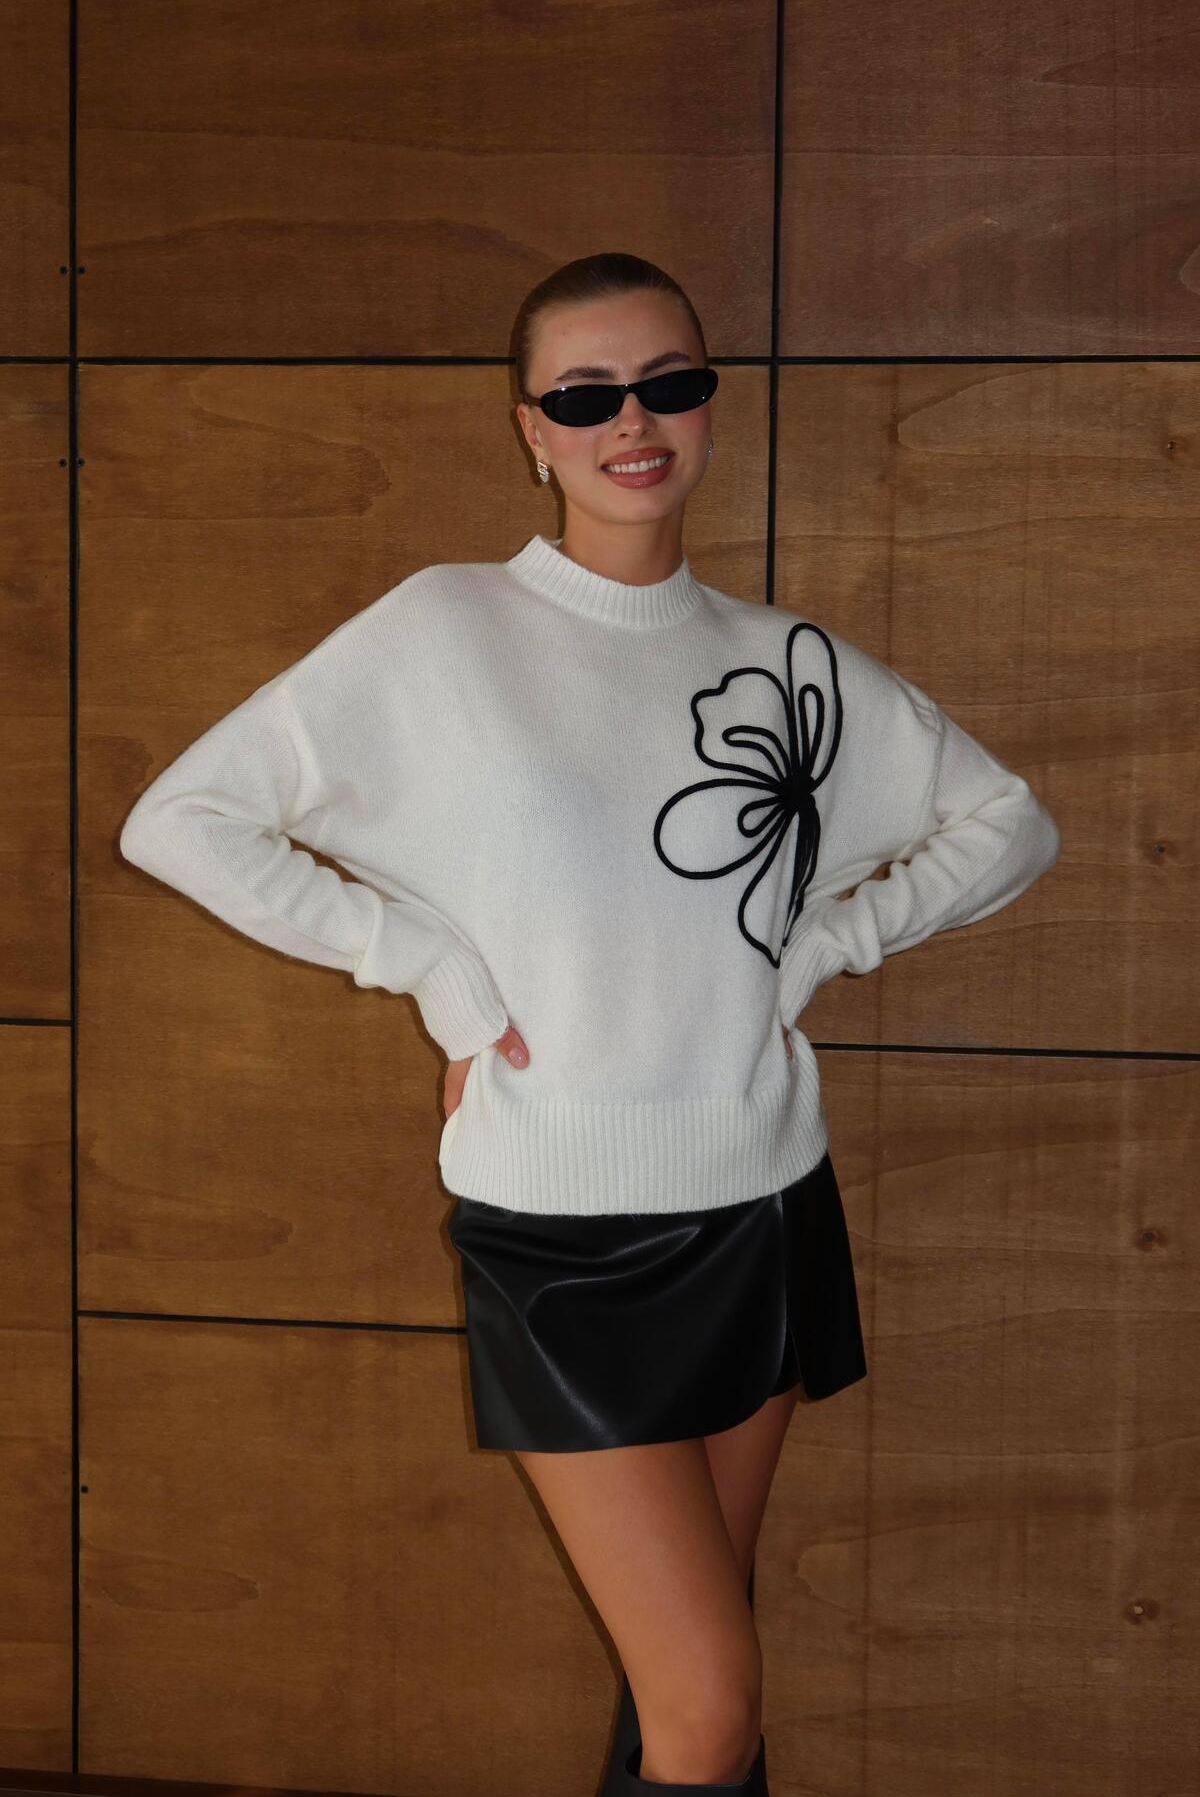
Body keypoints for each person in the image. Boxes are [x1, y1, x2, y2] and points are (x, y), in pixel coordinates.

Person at [118, 251, 1062, 1794]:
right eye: (586, 396)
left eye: (669, 383)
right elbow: (184, 821)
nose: (634, 421)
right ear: (532, 431)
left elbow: (1009, 823)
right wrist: (424, 965)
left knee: (694, 1696)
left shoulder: (782, 662)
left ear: (708, 405)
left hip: (760, 1206)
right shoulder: (447, 631)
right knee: (710, 1703)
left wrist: (832, 939)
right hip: (561, 1240)